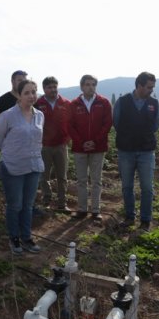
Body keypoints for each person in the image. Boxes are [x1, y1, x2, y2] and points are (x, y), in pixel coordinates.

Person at [0, 79, 45, 254]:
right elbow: (0, 140)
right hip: (13, 166)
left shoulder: (40, 115)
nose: (32, 96)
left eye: (34, 92)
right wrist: (14, 154)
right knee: (15, 204)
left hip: (33, 165)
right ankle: (14, 238)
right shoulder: (8, 115)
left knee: (28, 205)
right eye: (27, 93)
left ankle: (26, 237)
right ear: (18, 95)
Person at [113, 72, 159, 230]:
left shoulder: (154, 103)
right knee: (127, 186)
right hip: (126, 150)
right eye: (148, 87)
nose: (151, 90)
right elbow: (117, 123)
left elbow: (155, 126)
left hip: (146, 151)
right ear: (139, 86)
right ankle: (129, 216)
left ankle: (145, 219)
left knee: (147, 187)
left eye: (152, 87)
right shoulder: (123, 101)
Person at [67, 74, 113, 222]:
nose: (90, 87)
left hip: (98, 147)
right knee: (81, 180)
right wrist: (81, 142)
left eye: (93, 84)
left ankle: (95, 210)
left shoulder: (104, 102)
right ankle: (82, 209)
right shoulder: (74, 104)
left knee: (96, 180)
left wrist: (94, 141)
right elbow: (70, 125)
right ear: (81, 87)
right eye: (87, 84)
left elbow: (107, 124)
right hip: (80, 148)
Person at [35, 76, 71, 212]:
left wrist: (68, 138)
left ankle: (62, 202)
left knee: (62, 176)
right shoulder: (38, 104)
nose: (53, 90)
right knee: (44, 175)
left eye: (54, 87)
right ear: (44, 89)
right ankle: (46, 200)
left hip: (61, 145)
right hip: (44, 146)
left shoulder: (65, 103)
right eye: (49, 87)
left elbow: (71, 123)